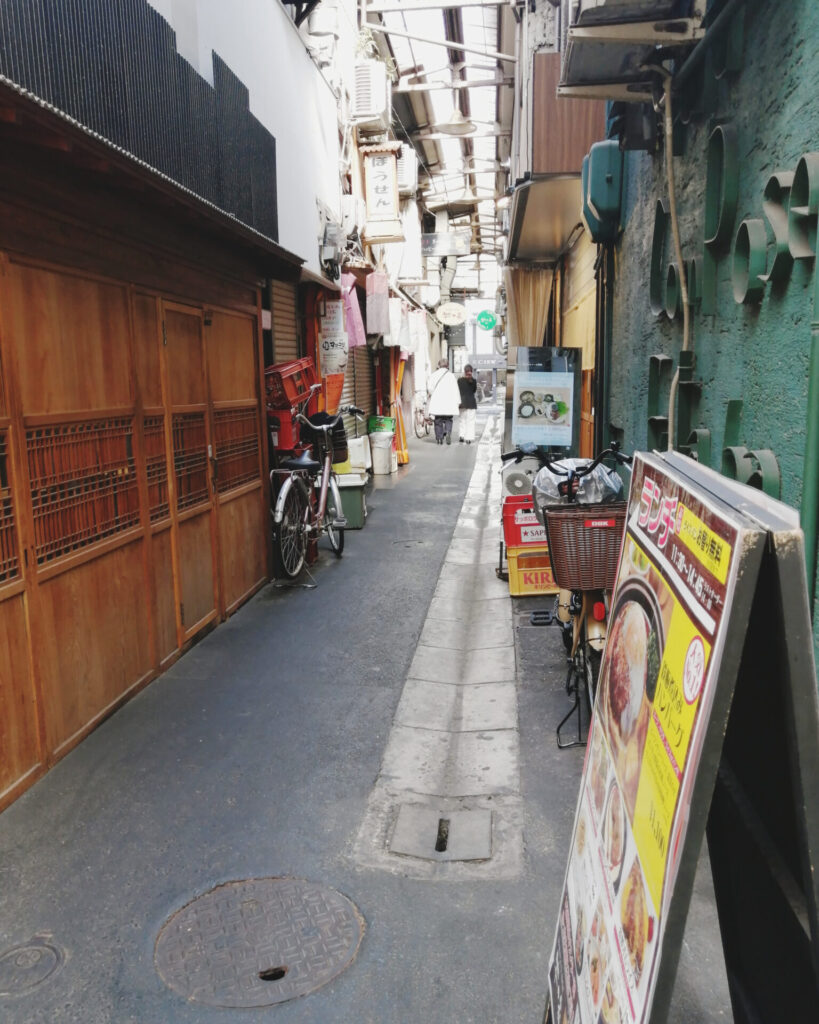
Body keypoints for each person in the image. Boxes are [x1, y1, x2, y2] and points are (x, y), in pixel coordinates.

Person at [426, 358, 460, 445]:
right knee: (449, 419)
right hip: (449, 403)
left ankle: (439, 438)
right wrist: (458, 402)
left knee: (438, 421)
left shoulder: (433, 375)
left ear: (439, 365)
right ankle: (448, 432)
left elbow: (430, 389)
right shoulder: (451, 376)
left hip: (437, 403)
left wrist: (433, 393)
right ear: (447, 365)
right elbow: (456, 390)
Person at [457, 364, 478, 444]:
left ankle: (461, 436)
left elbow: (458, 391)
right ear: (471, 371)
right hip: (471, 404)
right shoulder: (474, 381)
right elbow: (473, 391)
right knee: (470, 421)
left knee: (462, 420)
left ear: (464, 371)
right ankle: (468, 438)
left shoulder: (459, 380)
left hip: (462, 404)